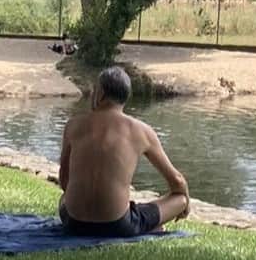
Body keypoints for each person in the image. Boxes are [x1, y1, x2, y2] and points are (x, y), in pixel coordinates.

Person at [58, 66, 189, 237]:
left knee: (63, 200)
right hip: (117, 226)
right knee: (180, 200)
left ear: (101, 93)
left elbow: (64, 181)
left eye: (94, 89)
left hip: (73, 223)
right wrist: (186, 203)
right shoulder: (141, 131)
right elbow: (177, 181)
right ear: (125, 96)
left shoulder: (73, 125)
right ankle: (148, 227)